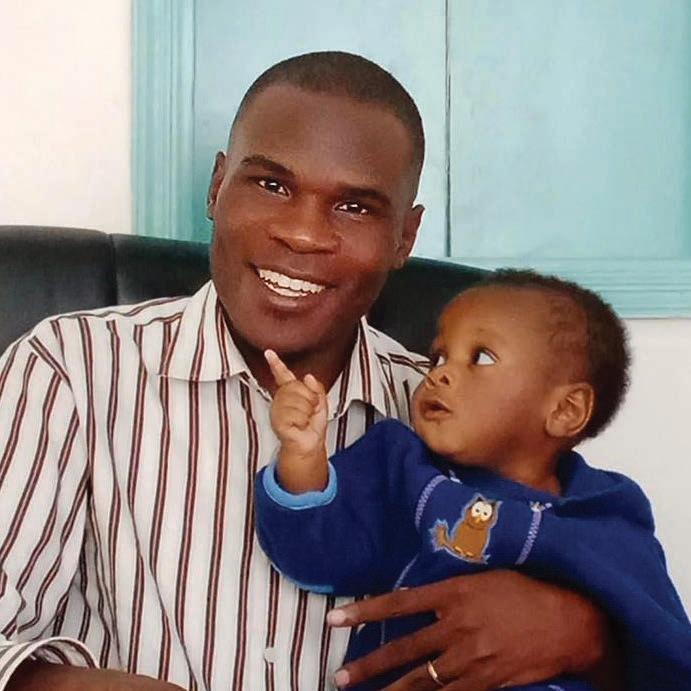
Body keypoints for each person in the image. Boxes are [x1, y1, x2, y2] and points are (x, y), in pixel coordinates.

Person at [0, 52, 620, 691]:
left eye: (354, 208)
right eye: (271, 186)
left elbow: (607, 578)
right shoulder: (71, 369)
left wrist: (586, 638)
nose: (302, 235)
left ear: (405, 238)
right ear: (217, 187)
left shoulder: (459, 413)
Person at [256, 269, 691, 691]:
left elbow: (663, 646)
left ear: (565, 410)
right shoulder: (405, 471)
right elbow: (318, 551)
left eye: (480, 357)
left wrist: (589, 639)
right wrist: (302, 456)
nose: (438, 373)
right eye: (439, 357)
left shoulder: (606, 513)